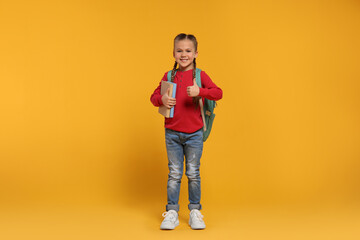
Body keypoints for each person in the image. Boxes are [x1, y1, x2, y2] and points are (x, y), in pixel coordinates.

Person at [150, 33, 223, 230]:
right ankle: (172, 211)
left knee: (193, 173)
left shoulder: (200, 75)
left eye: (188, 51)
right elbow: (153, 97)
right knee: (174, 173)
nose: (184, 54)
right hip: (172, 133)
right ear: (173, 53)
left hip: (194, 134)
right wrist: (162, 100)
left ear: (195, 53)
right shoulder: (169, 75)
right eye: (179, 51)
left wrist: (201, 91)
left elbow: (218, 93)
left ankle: (195, 212)